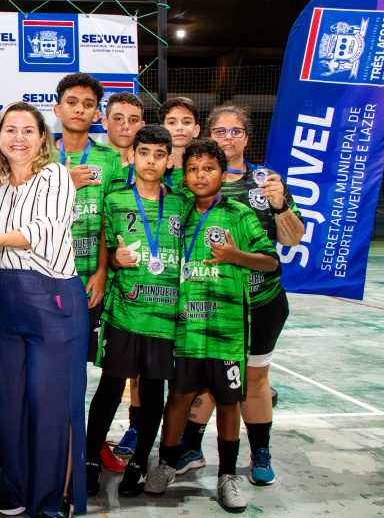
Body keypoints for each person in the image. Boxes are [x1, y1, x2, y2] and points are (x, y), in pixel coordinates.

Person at [143, 138, 278, 513]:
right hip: (185, 329)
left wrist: (236, 256)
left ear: (222, 173)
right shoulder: (178, 211)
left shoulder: (238, 214)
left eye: (209, 169)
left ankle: (228, 475)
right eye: (193, 169)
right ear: (183, 175)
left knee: (229, 402)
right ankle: (167, 463)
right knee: (179, 399)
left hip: (226, 330)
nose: (200, 175)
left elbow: (271, 262)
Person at [0, 101, 86, 518]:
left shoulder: (56, 176)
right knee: (10, 402)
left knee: (49, 405)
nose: (18, 138)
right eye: (9, 130)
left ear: (42, 139)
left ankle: (48, 503)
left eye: (28, 130)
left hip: (53, 298)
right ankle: (15, 491)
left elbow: (46, 231)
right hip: (7, 298)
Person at [176, 105, 304, 485]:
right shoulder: (192, 182)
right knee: (206, 379)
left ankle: (260, 451)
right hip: (210, 302)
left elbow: (292, 238)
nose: (227, 137)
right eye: (220, 131)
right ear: (208, 136)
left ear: (247, 138)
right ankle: (193, 447)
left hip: (261, 300)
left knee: (255, 378)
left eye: (236, 131)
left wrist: (281, 204)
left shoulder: (266, 183)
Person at [85, 125, 185, 498]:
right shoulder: (114, 200)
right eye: (144, 153)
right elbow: (104, 252)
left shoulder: (181, 204)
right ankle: (90, 461)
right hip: (125, 312)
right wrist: (116, 258)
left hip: (164, 317)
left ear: (169, 160)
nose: (151, 161)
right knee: (110, 386)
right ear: (133, 155)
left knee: (153, 390)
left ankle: (140, 462)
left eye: (160, 154)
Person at [100, 91, 146, 459]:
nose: (125, 125)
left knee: (137, 371)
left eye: (133, 119)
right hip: (89, 278)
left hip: (138, 287)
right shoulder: (93, 164)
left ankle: (135, 431)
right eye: (118, 118)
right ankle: (80, 444)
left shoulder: (156, 170)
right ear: (106, 121)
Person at [158, 97, 201, 196]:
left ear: (196, 130)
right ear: (162, 130)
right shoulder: (153, 169)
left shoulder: (205, 170)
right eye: (172, 122)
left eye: (186, 122)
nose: (179, 127)